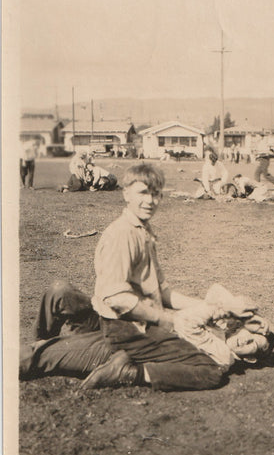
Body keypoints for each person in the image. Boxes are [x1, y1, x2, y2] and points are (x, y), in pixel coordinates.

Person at [21, 164, 257, 392]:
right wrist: (167, 320)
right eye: (143, 193)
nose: (150, 201)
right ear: (126, 194)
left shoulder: (143, 231)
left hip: (124, 324)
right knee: (211, 370)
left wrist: (212, 307)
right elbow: (118, 298)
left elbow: (163, 292)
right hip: (125, 331)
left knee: (60, 296)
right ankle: (129, 370)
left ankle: (58, 345)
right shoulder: (123, 234)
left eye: (156, 194)